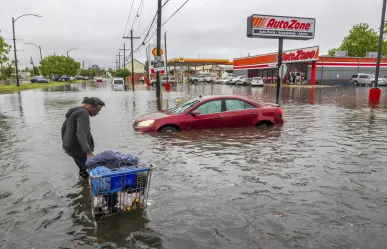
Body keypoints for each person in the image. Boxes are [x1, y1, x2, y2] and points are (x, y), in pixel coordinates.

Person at [61, 97, 105, 178]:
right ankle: (89, 186)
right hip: (78, 149)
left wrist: (65, 143)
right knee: (88, 171)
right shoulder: (83, 113)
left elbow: (63, 128)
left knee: (83, 169)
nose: (97, 113)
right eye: (97, 110)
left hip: (70, 147)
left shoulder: (75, 111)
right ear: (90, 106)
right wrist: (88, 152)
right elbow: (80, 133)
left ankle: (83, 186)